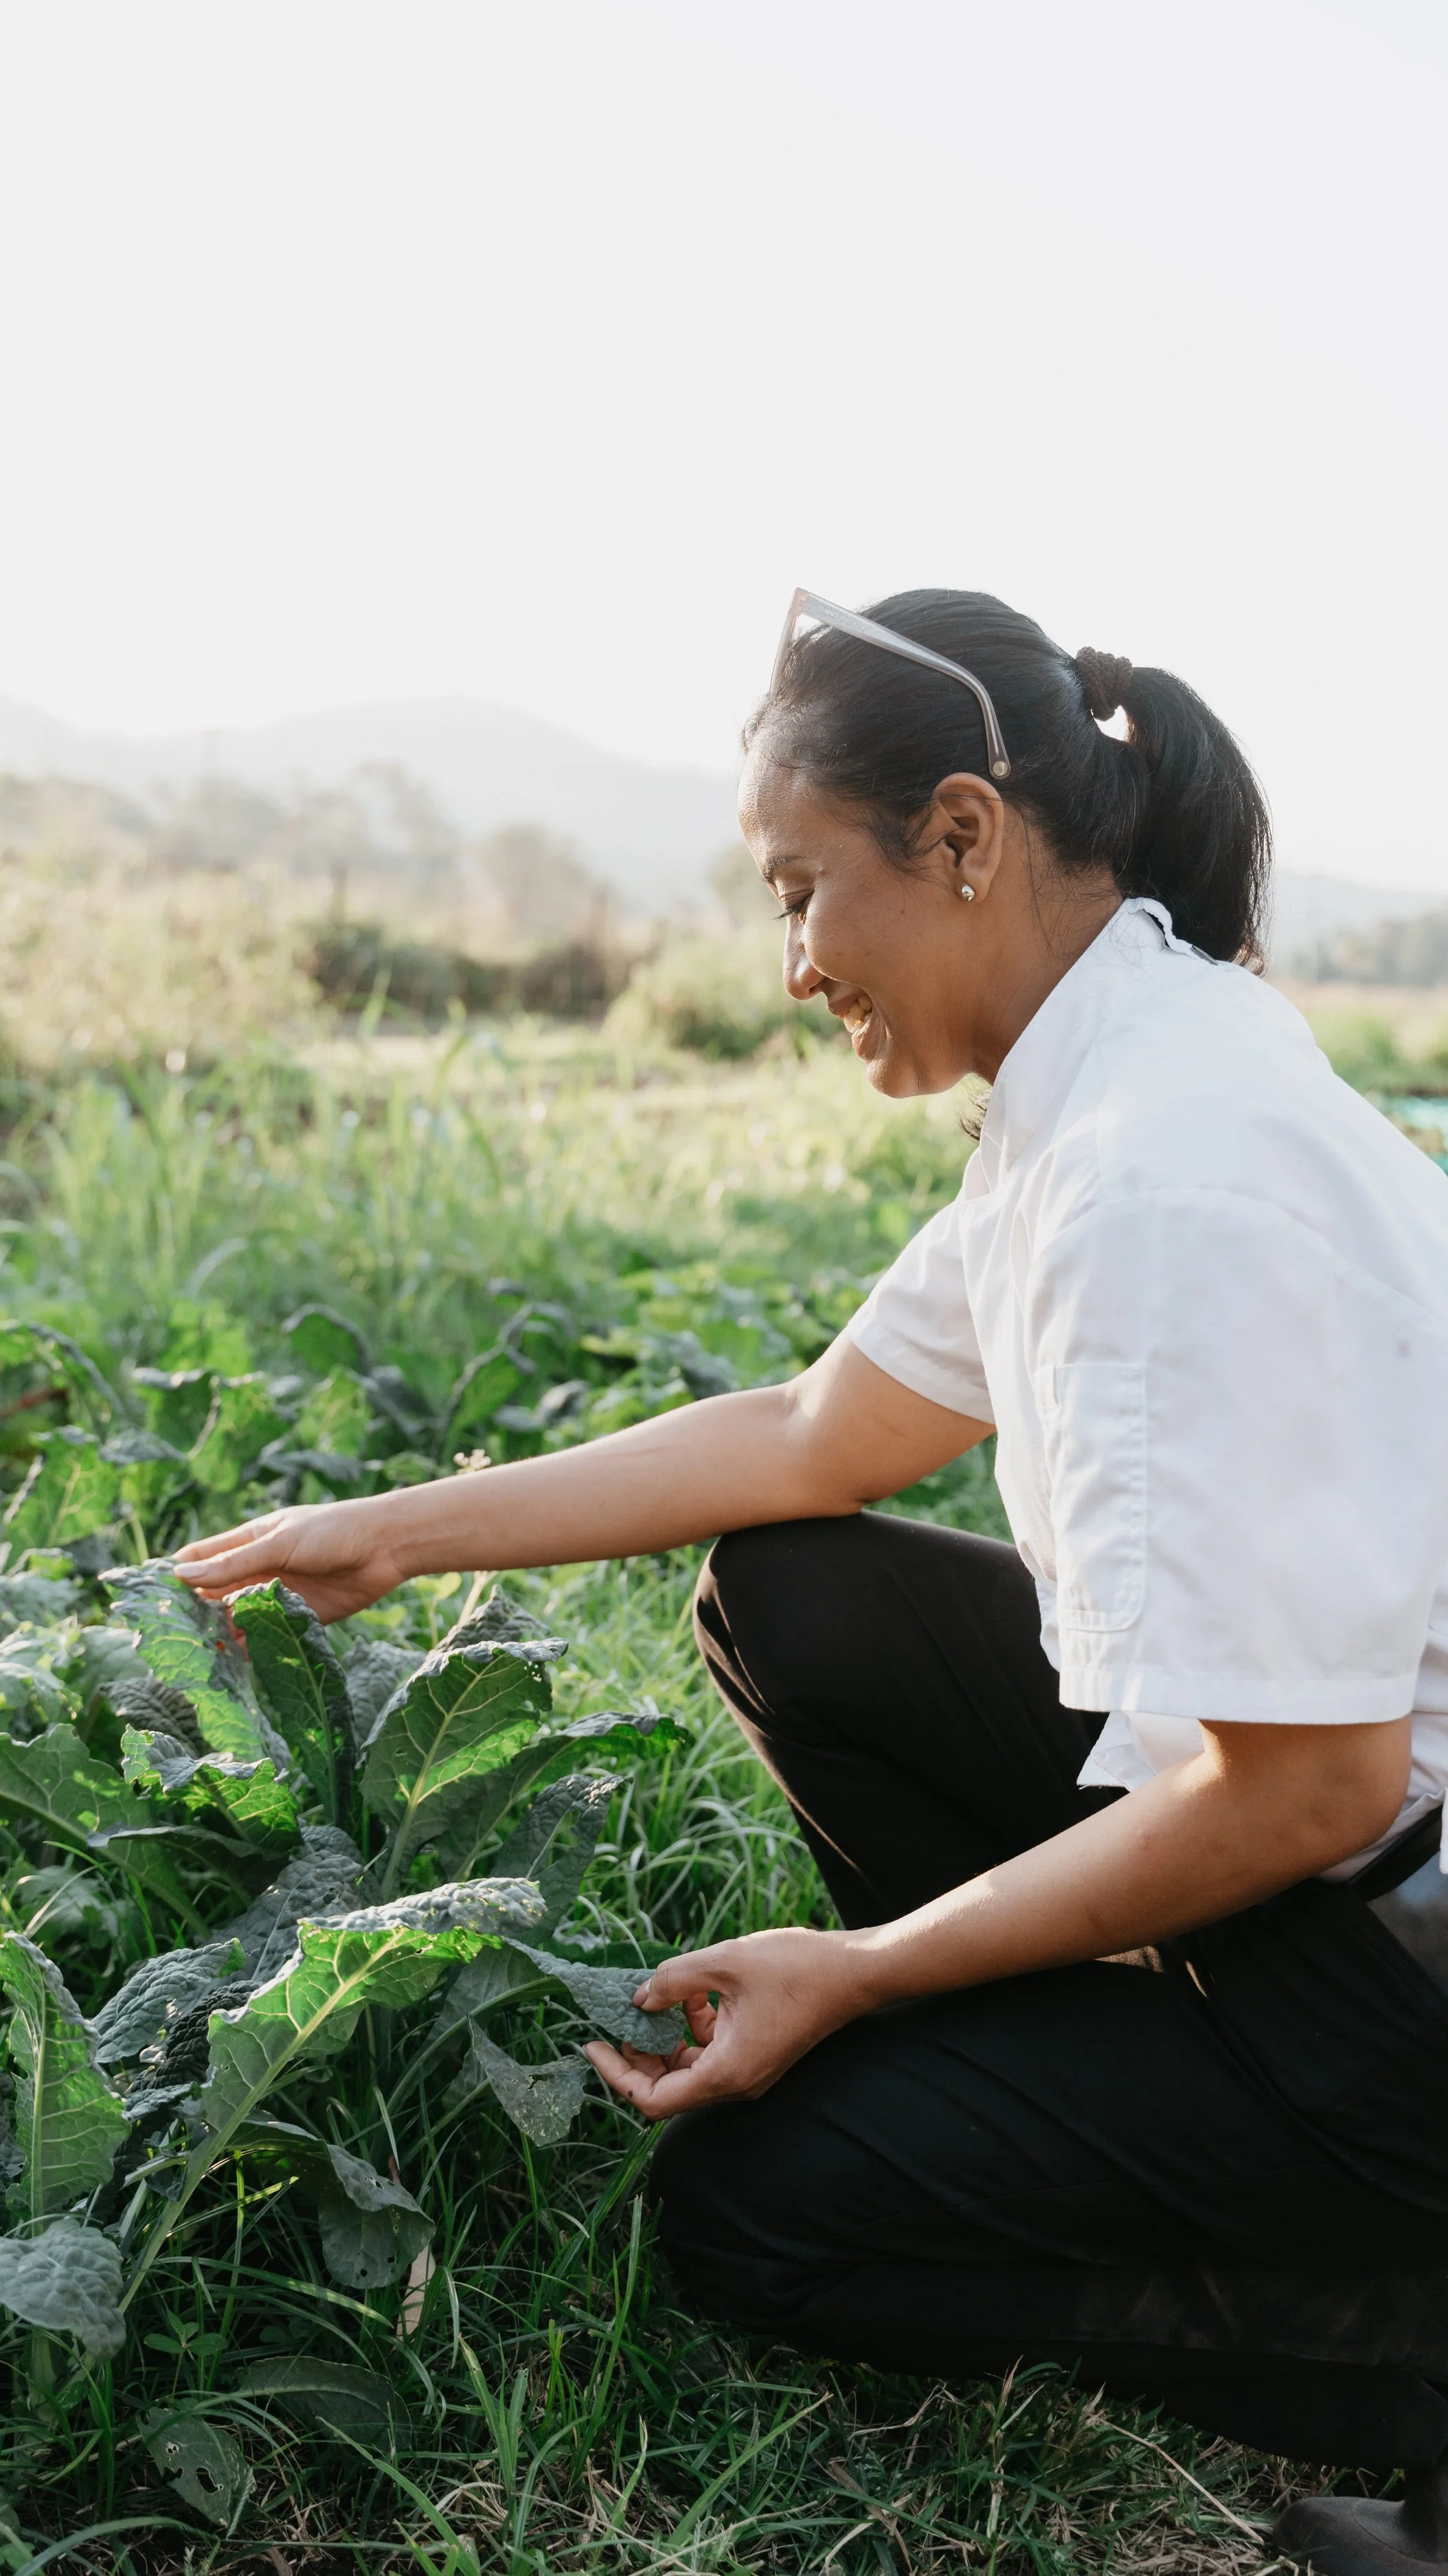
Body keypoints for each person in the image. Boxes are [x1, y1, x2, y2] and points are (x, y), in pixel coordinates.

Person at [177, 589, 1448, 2576]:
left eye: (798, 890)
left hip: (1398, 1970)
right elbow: (810, 1435)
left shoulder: (1162, 1178)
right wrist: (397, 1524)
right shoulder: (1106, 1075)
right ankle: (1119, 2056)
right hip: (1324, 1862)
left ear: (959, 837)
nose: (788, 963)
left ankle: (1398, 2318)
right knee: (802, 1593)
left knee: (762, 2209)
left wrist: (864, 1968)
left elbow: (1309, 1788)